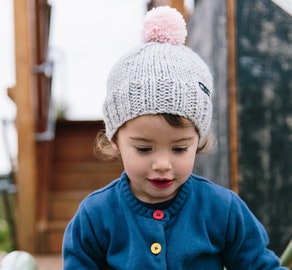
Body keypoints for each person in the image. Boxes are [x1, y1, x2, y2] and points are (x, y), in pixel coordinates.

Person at [62, 6, 287, 269]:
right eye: (144, 149)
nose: (162, 164)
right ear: (115, 142)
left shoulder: (222, 209)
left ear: (198, 142)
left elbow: (260, 266)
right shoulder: (95, 216)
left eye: (179, 149)